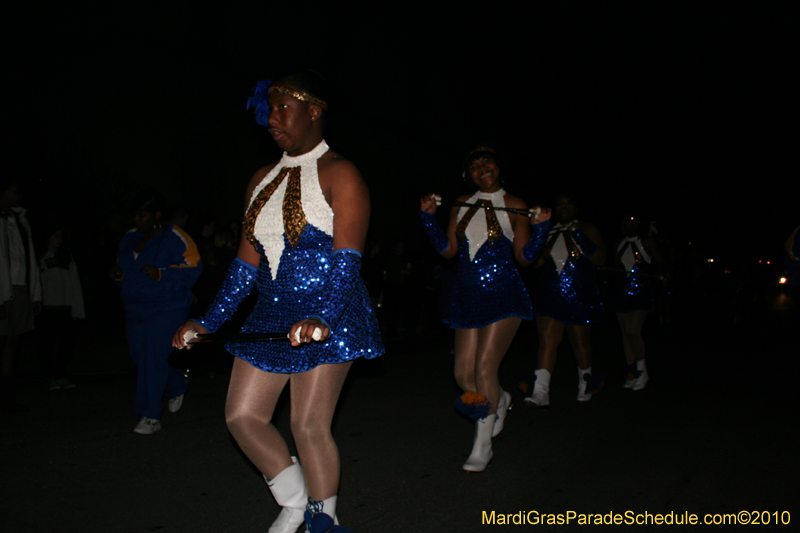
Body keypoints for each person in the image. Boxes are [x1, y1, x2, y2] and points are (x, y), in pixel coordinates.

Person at [173, 72, 382, 533]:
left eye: (283, 108)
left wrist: (321, 315)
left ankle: (323, 521)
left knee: (308, 425)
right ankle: (293, 502)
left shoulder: (341, 173)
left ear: (313, 111)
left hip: (330, 310)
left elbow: (348, 261)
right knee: (242, 416)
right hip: (271, 311)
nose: (271, 119)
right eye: (268, 110)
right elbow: (246, 265)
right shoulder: (259, 180)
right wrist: (207, 320)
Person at [419, 147, 536, 472]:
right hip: (467, 295)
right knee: (462, 375)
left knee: (485, 366)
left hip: (504, 293)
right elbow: (447, 251)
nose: (481, 168)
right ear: (468, 175)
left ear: (498, 166)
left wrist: (540, 229)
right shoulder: (461, 204)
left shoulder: (515, 205)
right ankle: (499, 399)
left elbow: (525, 257)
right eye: (474, 166)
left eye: (486, 162)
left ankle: (482, 445)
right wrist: (428, 218)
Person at [111, 190, 201, 434]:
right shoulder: (129, 238)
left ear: (156, 215)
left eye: (142, 215)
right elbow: (123, 268)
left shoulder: (176, 237)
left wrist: (162, 273)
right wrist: (118, 277)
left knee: (153, 355)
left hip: (167, 306)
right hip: (136, 306)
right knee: (139, 356)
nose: (137, 219)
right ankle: (175, 385)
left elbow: (193, 268)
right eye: (135, 215)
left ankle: (150, 416)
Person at [523, 193, 606, 407]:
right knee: (547, 341)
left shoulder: (587, 228)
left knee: (580, 342)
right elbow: (537, 263)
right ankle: (541, 391)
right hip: (550, 293)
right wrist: (536, 237)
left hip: (579, 294)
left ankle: (585, 384)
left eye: (567, 202)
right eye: (559, 203)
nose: (563, 206)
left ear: (575, 207)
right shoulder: (550, 231)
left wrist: (580, 236)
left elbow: (600, 259)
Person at [0, 181, 42, 412]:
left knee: (13, 339)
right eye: (14, 189)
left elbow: (28, 257)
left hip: (19, 286)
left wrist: (35, 292)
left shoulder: (20, 221)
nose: (18, 193)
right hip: (2, 287)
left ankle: (7, 398)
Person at [609, 215, 663, 390]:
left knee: (633, 331)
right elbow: (616, 266)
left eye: (631, 222)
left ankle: (642, 371)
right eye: (625, 222)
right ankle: (632, 372)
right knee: (626, 334)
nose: (628, 225)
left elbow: (661, 262)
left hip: (640, 293)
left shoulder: (646, 242)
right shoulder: (619, 243)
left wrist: (662, 274)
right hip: (621, 293)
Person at [38, 224, 85, 390]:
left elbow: (75, 283)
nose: (59, 240)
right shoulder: (41, 258)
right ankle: (48, 376)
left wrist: (77, 309)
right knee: (47, 344)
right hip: (48, 307)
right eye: (55, 236)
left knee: (66, 343)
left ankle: (59, 374)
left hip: (65, 307)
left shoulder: (67, 257)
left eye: (60, 236)